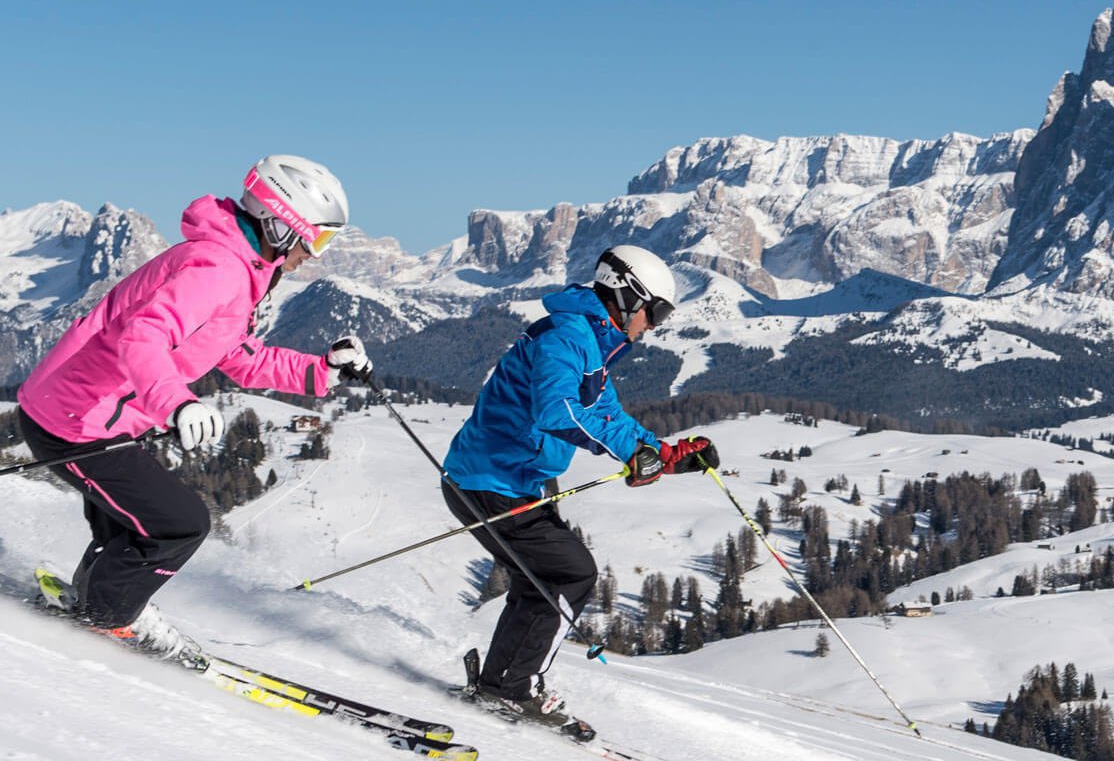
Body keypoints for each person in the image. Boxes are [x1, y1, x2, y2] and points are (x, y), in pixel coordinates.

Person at [17, 154, 374, 663]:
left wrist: (320, 371)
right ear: (281, 223)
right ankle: (109, 616)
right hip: (76, 422)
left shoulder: (237, 265)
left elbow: (233, 354)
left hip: (84, 414)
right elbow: (144, 339)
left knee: (135, 524)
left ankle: (99, 602)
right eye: (316, 240)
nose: (315, 255)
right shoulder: (218, 270)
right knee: (180, 523)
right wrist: (177, 403)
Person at [441, 244, 717, 740]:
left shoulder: (592, 340)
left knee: (546, 579)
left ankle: (502, 683)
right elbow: (556, 411)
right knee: (570, 572)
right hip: (488, 483)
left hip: (511, 481)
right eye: (656, 312)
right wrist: (631, 455)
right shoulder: (567, 338)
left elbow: (609, 415)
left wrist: (668, 456)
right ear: (627, 297)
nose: (655, 325)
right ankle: (510, 687)